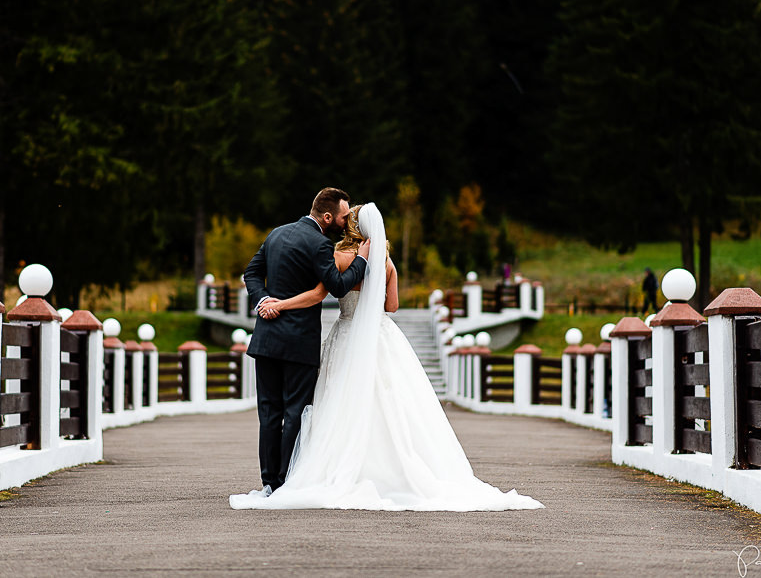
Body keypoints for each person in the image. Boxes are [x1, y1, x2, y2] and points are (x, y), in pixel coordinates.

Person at [231, 203, 543, 511]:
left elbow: (323, 293)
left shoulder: (337, 256)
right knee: (387, 402)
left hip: (344, 335)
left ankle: (279, 481)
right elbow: (391, 307)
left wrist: (276, 303)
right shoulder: (387, 263)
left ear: (350, 226)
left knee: (329, 404)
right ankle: (385, 466)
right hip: (381, 337)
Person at [242, 187, 372, 495]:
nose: (345, 222)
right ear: (327, 217)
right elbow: (338, 286)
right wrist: (362, 261)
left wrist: (264, 302)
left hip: (267, 339)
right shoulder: (319, 244)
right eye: (342, 217)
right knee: (295, 412)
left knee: (269, 413)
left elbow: (251, 274)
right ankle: (287, 481)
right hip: (298, 342)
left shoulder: (276, 234)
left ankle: (268, 482)